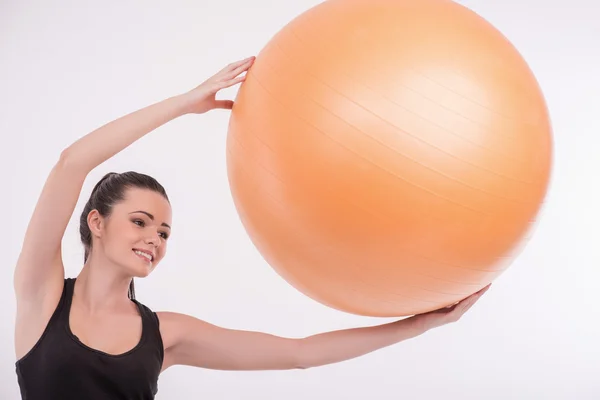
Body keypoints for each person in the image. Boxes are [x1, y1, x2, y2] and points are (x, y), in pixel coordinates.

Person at [13, 56, 490, 399]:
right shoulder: (43, 296)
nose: (154, 240)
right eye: (140, 222)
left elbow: (299, 354)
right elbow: (71, 163)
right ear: (96, 222)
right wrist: (183, 104)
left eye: (163, 232)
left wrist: (423, 324)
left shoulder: (165, 335)